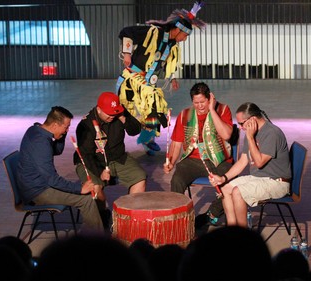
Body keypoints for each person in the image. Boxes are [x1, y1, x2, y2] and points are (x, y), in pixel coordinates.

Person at [116, 1, 206, 156]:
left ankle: (147, 140)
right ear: (177, 29)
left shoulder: (171, 45)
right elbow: (126, 32)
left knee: (155, 110)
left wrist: (172, 78)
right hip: (131, 81)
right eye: (184, 35)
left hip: (147, 85)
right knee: (125, 115)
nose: (184, 39)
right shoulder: (153, 32)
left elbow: (166, 63)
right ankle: (114, 144)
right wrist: (127, 53)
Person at [17, 106, 104, 233]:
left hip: (37, 184)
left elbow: (57, 150)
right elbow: (52, 180)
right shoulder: (40, 143)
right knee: (87, 199)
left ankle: (93, 229)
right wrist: (79, 189)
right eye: (66, 127)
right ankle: (99, 241)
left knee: (84, 192)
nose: (67, 130)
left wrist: (62, 134)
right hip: (37, 191)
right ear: (55, 125)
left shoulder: (35, 129)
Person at [208, 102, 291, 227]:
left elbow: (259, 162)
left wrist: (251, 138)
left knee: (238, 192)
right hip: (259, 178)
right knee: (226, 189)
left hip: (277, 182)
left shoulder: (272, 133)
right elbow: (242, 161)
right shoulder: (250, 133)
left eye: (241, 123)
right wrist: (223, 178)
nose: (240, 127)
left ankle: (244, 237)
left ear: (252, 119)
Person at [163, 82, 234, 227]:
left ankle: (212, 213)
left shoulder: (223, 110)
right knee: (177, 180)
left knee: (228, 181)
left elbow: (226, 135)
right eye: (196, 103)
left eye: (203, 102)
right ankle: (179, 221)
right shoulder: (185, 114)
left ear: (210, 99)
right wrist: (170, 161)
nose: (200, 106)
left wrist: (212, 111)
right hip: (194, 160)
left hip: (219, 160)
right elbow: (176, 143)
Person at [73, 92, 147, 227]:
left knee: (140, 178)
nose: (112, 116)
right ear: (99, 109)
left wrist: (124, 118)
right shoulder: (86, 125)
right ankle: (103, 215)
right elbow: (86, 154)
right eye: (109, 113)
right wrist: (100, 171)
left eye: (115, 112)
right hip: (92, 161)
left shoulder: (118, 113)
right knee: (95, 188)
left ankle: (127, 218)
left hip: (117, 158)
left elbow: (135, 130)